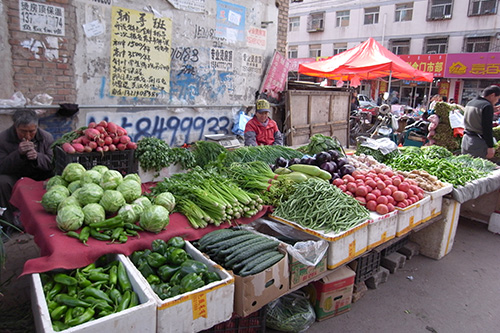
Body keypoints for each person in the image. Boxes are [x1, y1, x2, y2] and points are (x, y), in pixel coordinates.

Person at [0, 109, 54, 225]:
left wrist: (37, 157)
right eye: (23, 132)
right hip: (15, 175)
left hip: (39, 175)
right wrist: (18, 154)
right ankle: (10, 221)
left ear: (37, 127)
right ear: (15, 127)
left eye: (32, 131)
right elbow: (1, 166)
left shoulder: (46, 137)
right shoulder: (3, 139)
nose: (28, 135)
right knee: (2, 181)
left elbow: (52, 162)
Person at [461, 85, 500, 159]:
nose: (497, 101)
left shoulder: (471, 102)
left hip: (466, 140)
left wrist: (491, 110)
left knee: (466, 166)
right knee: (478, 167)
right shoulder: (487, 106)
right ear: (492, 95)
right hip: (478, 143)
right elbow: (487, 128)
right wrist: (490, 146)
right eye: (497, 98)